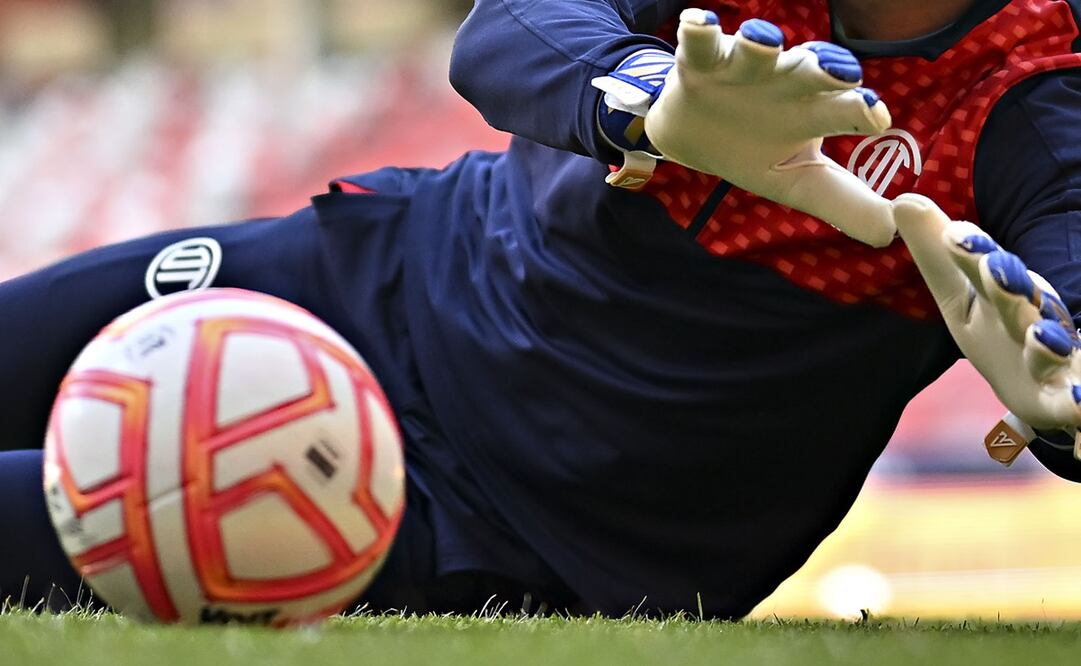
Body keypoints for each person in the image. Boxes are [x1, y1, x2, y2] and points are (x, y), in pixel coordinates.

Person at [2, 0, 1081, 620]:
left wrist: (1062, 405)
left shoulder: (1039, 87)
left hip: (521, 514)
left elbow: (1062, 322)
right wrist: (641, 100)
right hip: (373, 272)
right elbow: (506, 28)